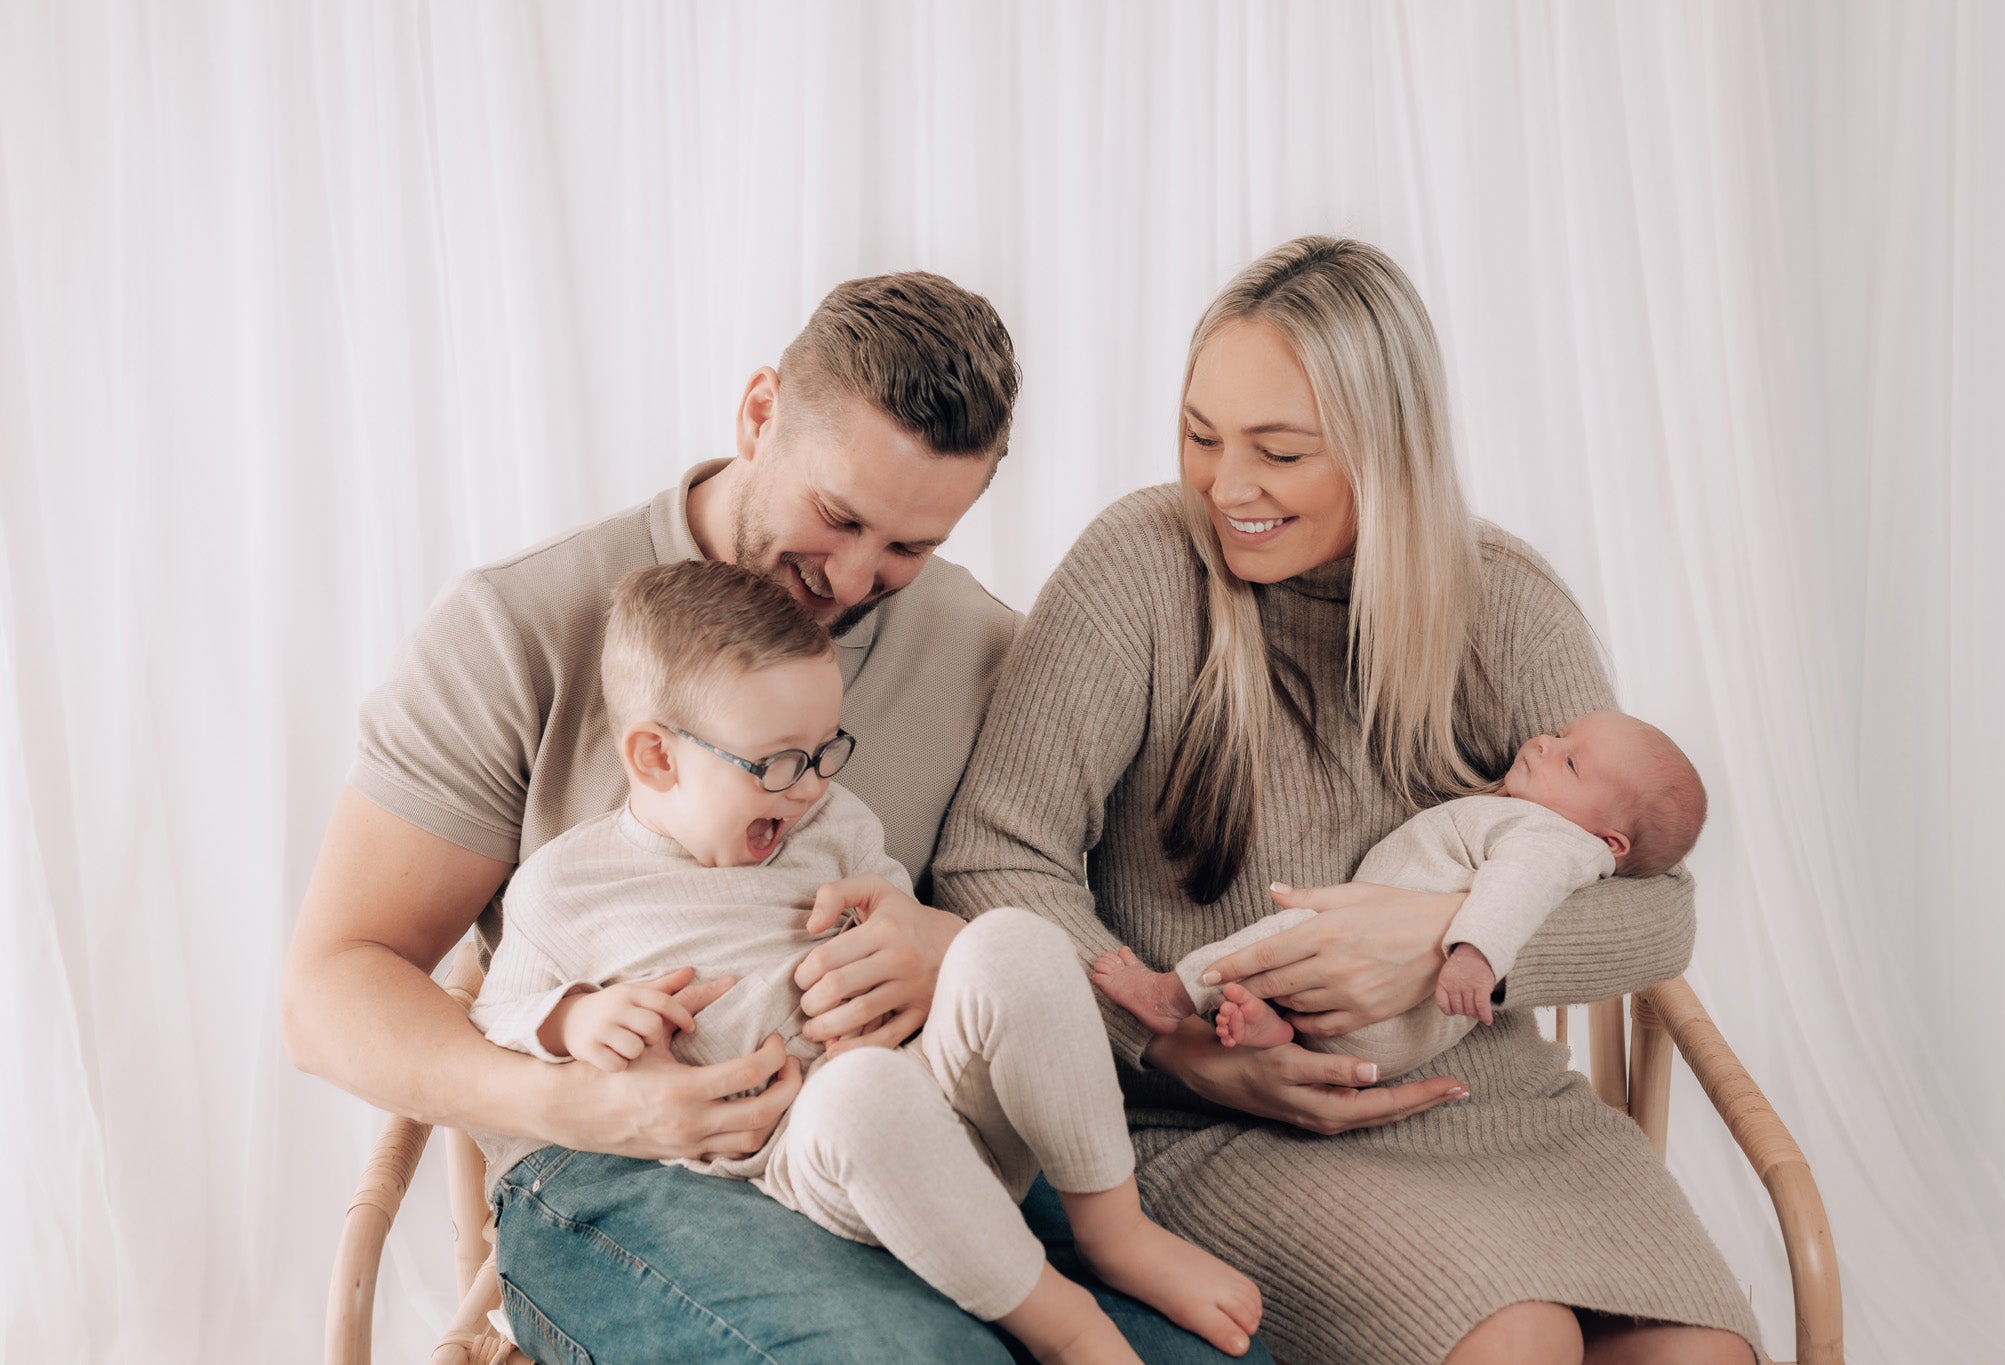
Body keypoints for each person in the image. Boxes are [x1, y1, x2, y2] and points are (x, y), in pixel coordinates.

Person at [283, 271, 1262, 1363]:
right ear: (757, 416)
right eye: (837, 515)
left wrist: (944, 947)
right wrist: (585, 1100)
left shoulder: (983, 653)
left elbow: (1055, 928)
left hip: (900, 1121)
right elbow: (330, 988)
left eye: (908, 548)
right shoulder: (517, 628)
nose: (850, 578)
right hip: (622, 1166)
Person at [932, 236, 1766, 1365]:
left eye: (1278, 451)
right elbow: (993, 857)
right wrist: (1172, 1051)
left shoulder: (1505, 606)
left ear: (1388, 454)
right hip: (1223, 1121)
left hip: (1497, 1107)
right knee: (1513, 1343)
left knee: (1697, 1356)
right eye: (1200, 435)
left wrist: (1434, 941)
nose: (1227, 487)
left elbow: (1651, 904)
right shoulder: (1138, 569)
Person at [470, 557, 1263, 1364]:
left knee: (1012, 941)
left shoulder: (829, 821)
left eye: (825, 751)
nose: (811, 786)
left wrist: (924, 940)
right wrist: (576, 1017)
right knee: (860, 1091)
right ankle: (1064, 1326)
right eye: (780, 762)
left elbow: (935, 964)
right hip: (810, 1156)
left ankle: (1114, 1229)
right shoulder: (567, 888)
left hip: (947, 1103)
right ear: (657, 759)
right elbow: (495, 1014)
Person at [1092, 709, 1707, 1074]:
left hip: (1397, 1012)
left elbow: (1516, 891)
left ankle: (1172, 994)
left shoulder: (1552, 840)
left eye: (1571, 764)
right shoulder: (1537, 820)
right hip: (1385, 1032)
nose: (1547, 745)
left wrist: (1474, 955)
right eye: (1559, 734)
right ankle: (1272, 1033)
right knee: (1297, 963)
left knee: (1290, 934)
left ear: (1612, 843)